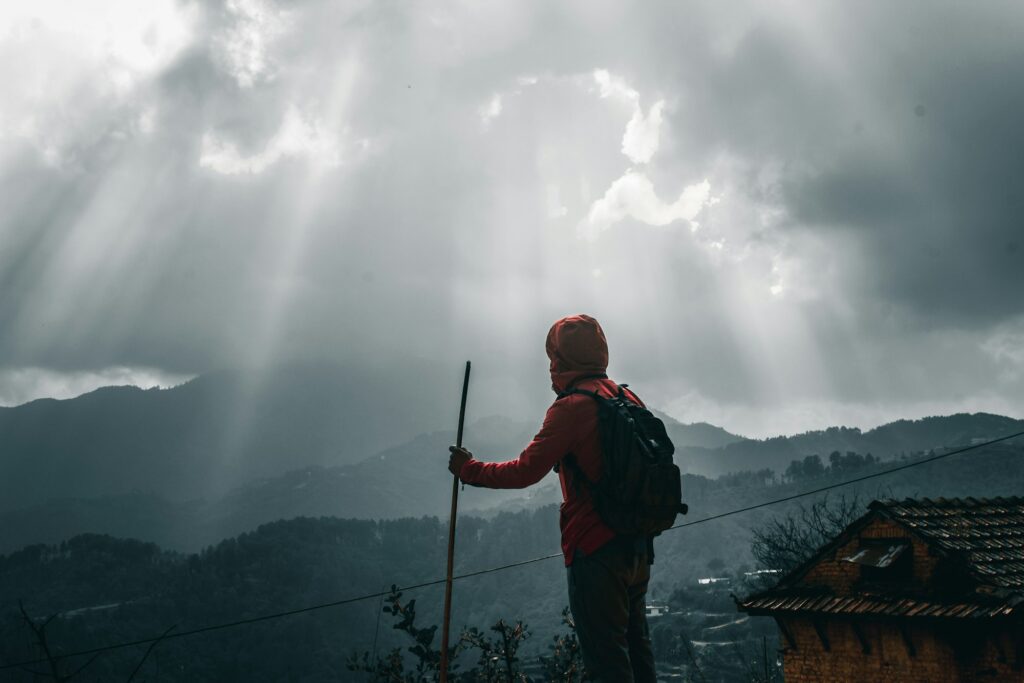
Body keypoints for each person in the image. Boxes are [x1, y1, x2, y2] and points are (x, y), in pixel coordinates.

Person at [448, 314, 657, 683]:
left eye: (553, 357)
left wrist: (469, 470)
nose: (550, 367)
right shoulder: (626, 397)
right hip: (638, 545)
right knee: (638, 652)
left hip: (595, 549)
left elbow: (524, 471)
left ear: (562, 360)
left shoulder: (572, 408)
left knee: (607, 662)